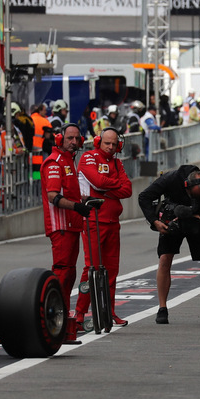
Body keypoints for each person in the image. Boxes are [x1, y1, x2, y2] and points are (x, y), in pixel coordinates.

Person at [138, 165, 200, 324]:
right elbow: (144, 196)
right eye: (193, 195)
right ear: (187, 186)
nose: (194, 199)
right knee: (165, 259)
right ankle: (162, 308)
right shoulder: (170, 179)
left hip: (197, 221)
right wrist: (155, 221)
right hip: (171, 221)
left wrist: (198, 217)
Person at [75, 127, 133, 327]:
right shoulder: (88, 158)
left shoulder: (117, 162)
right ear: (98, 141)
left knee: (111, 271)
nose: (110, 147)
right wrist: (114, 185)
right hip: (93, 221)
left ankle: (109, 312)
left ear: (119, 145)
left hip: (113, 222)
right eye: (107, 143)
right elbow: (97, 181)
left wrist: (105, 190)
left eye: (114, 144)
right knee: (91, 268)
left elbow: (128, 190)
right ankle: (80, 313)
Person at [43, 123, 95, 309]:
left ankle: (62, 315)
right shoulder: (55, 162)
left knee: (70, 273)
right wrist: (77, 206)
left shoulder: (68, 161)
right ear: (60, 139)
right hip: (61, 226)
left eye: (76, 139)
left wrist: (84, 199)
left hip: (72, 225)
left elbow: (70, 192)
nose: (74, 142)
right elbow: (52, 196)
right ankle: (51, 313)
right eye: (69, 138)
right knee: (62, 272)